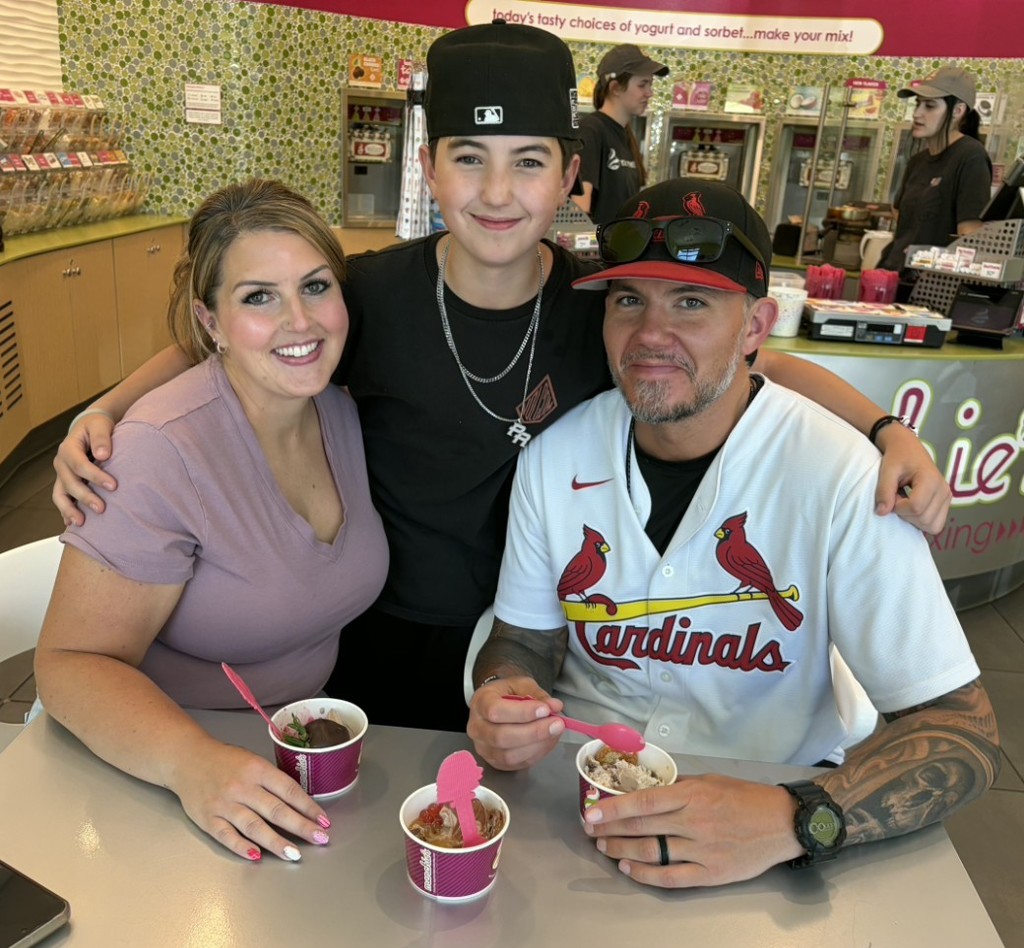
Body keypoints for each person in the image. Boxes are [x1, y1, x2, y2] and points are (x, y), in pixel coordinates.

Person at [51, 23, 950, 734]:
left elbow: (751, 359)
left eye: (527, 161)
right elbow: (230, 342)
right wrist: (110, 409)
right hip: (377, 631)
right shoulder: (368, 296)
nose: (496, 192)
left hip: (536, 638)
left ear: (568, 175)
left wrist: (884, 431)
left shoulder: (597, 305)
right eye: (468, 159)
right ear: (429, 166)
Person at [467, 177, 999, 889]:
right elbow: (525, 638)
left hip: (772, 808)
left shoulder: (843, 476)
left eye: (692, 302)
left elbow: (963, 732)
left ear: (754, 327)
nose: (650, 334)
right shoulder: (555, 458)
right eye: (629, 300)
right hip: (574, 804)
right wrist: (504, 690)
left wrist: (793, 817)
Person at [34, 179, 389, 863]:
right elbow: (68, 666)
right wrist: (192, 762)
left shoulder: (336, 408)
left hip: (294, 752)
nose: (300, 320)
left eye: (315, 287)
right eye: (258, 297)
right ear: (211, 322)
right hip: (158, 774)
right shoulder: (159, 453)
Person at [880, 65, 992, 290]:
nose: (917, 114)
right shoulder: (917, 161)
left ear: (958, 110)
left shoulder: (970, 156)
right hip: (895, 279)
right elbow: (900, 216)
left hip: (932, 289)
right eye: (917, 104)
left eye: (930, 106)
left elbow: (969, 237)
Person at [573, 43, 668, 225]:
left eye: (650, 84)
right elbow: (579, 210)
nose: (649, 93)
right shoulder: (591, 130)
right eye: (642, 85)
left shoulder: (626, 136)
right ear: (615, 87)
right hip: (598, 243)